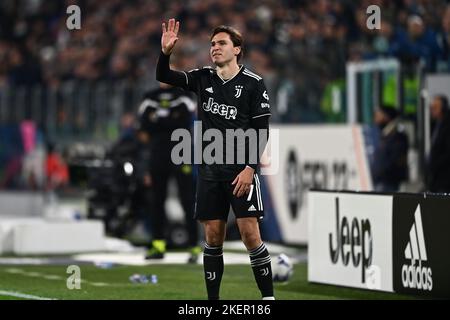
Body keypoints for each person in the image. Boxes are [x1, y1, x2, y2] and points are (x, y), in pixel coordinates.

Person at [156, 19, 274, 300]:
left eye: (221, 43)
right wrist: (165, 53)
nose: (215, 48)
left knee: (250, 235)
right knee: (212, 238)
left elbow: (262, 131)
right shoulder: (203, 78)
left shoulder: (253, 84)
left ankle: (268, 298)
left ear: (237, 49)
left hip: (240, 171)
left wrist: (249, 169)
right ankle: (213, 301)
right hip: (209, 171)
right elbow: (165, 76)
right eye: (212, 44)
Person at [138, 81, 201, 263]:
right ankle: (158, 245)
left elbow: (184, 120)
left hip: (181, 150)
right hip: (158, 153)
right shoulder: (149, 97)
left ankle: (194, 246)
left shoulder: (184, 95)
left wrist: (157, 119)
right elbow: (144, 125)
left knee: (187, 200)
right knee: (157, 200)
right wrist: (170, 119)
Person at [372, 105, 409, 192]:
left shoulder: (397, 135)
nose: (375, 119)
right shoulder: (384, 134)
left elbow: (395, 159)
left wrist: (381, 172)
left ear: (386, 117)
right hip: (381, 181)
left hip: (389, 182)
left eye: (378, 116)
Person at [427, 95, 450, 193]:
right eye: (431, 107)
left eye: (435, 107)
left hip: (445, 178)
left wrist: (434, 164)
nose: (432, 110)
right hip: (436, 178)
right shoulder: (436, 124)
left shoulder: (447, 125)